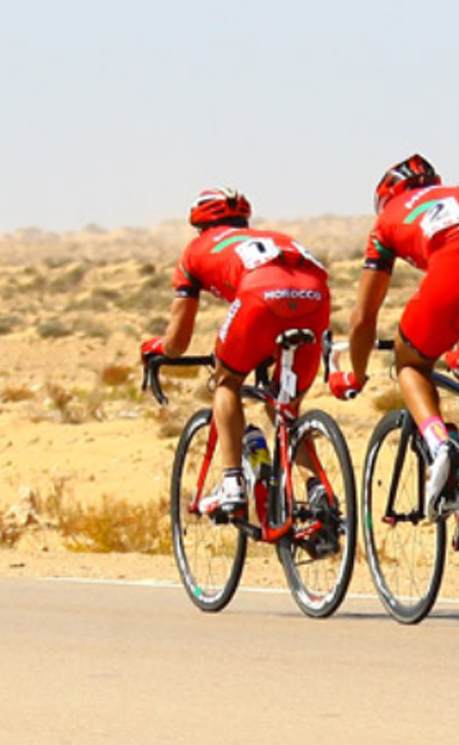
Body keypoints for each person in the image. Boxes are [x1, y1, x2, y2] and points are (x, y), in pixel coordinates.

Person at [328, 155, 459, 537]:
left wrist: (355, 373)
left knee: (411, 362)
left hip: (456, 267)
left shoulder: (388, 219)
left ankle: (439, 444)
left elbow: (363, 318)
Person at [141, 187, 330, 524]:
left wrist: (155, 349)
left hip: (260, 296)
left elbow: (178, 341)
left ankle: (232, 482)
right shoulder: (271, 236)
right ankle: (316, 488)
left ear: (199, 225)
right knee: (286, 409)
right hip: (316, 294)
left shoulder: (195, 251)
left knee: (226, 382)